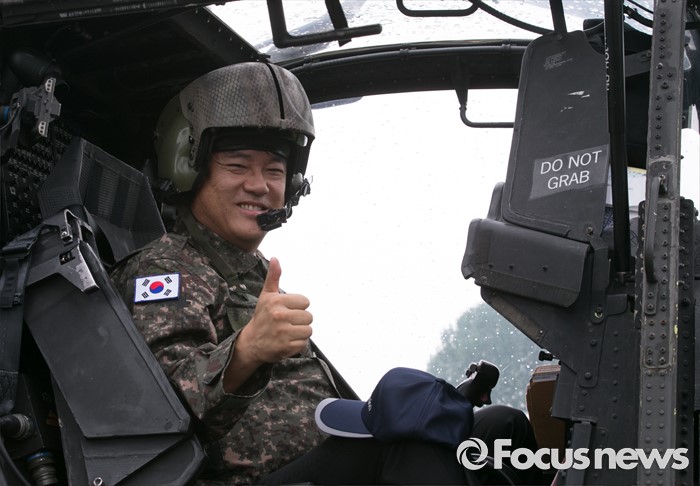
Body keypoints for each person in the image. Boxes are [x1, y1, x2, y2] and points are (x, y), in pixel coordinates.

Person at [110, 61, 541, 485]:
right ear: (190, 168)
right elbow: (162, 414)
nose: (260, 185)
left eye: (274, 170)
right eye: (237, 166)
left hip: (324, 461)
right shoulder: (165, 270)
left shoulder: (249, 272)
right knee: (406, 450)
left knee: (501, 427)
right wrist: (245, 351)